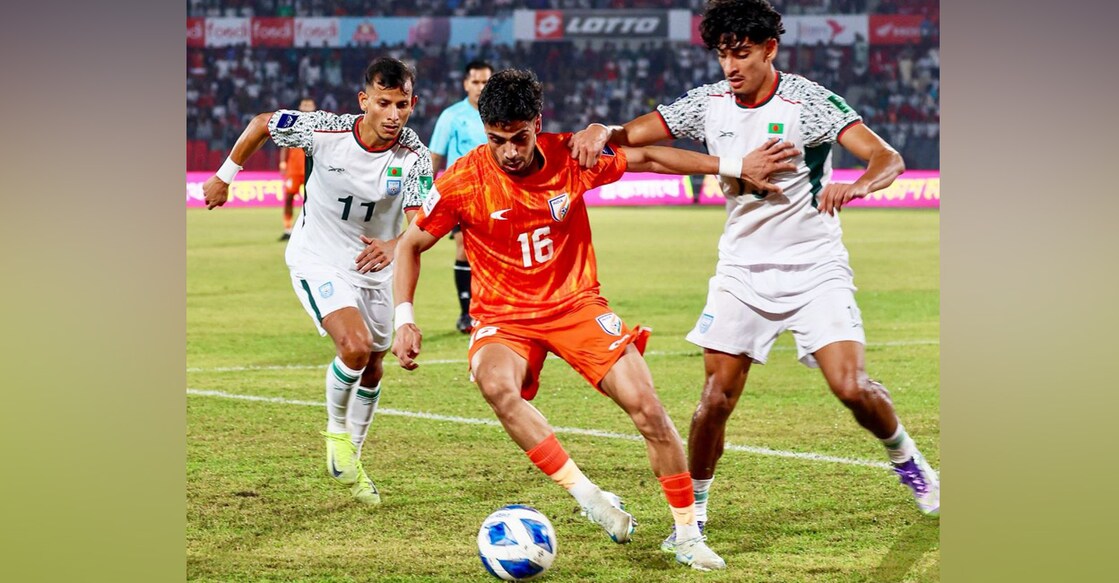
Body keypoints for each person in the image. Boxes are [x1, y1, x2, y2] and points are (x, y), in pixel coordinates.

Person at [569, 0, 941, 552]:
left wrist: (857, 185)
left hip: (815, 268)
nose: (730, 66)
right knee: (714, 399)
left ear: (770, 49)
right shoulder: (707, 103)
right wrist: (604, 128)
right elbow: (633, 135)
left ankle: (907, 460)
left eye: (741, 53)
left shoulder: (810, 102)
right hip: (741, 272)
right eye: (722, 55)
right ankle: (692, 514)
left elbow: (887, 158)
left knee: (851, 386)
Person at [392, 69, 792, 572]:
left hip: (578, 306)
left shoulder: (570, 157)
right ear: (483, 131)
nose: (510, 151)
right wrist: (404, 317)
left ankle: (686, 534)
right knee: (496, 385)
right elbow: (410, 244)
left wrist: (732, 164)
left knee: (647, 406)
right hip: (504, 317)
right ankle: (589, 497)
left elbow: (647, 157)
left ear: (537, 123)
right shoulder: (462, 181)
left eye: (519, 138)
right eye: (497, 140)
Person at [202, 57, 434, 506]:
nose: (393, 115)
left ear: (412, 103)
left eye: (402, 105)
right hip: (319, 258)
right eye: (383, 103)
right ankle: (335, 436)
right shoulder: (323, 129)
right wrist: (224, 176)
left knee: (373, 363)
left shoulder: (413, 155)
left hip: (374, 268)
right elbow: (263, 123)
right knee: (354, 346)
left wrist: (397, 244)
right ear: (363, 100)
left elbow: (420, 221)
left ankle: (353, 454)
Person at [429, 60, 494, 334]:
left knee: (496, 253)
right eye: (476, 82)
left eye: (485, 82)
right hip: (462, 194)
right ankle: (466, 313)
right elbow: (435, 156)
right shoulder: (452, 116)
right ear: (466, 83)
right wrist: (426, 193)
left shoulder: (500, 113)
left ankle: (494, 309)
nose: (480, 87)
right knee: (464, 250)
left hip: (498, 194)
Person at [278, 96, 316, 241]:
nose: (306, 108)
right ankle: (288, 229)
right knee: (288, 198)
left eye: (309, 105)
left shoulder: (318, 124)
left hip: (310, 169)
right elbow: (284, 145)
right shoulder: (291, 123)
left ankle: (308, 230)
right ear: (300, 107)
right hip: (293, 169)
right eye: (304, 105)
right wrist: (282, 162)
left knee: (312, 201)